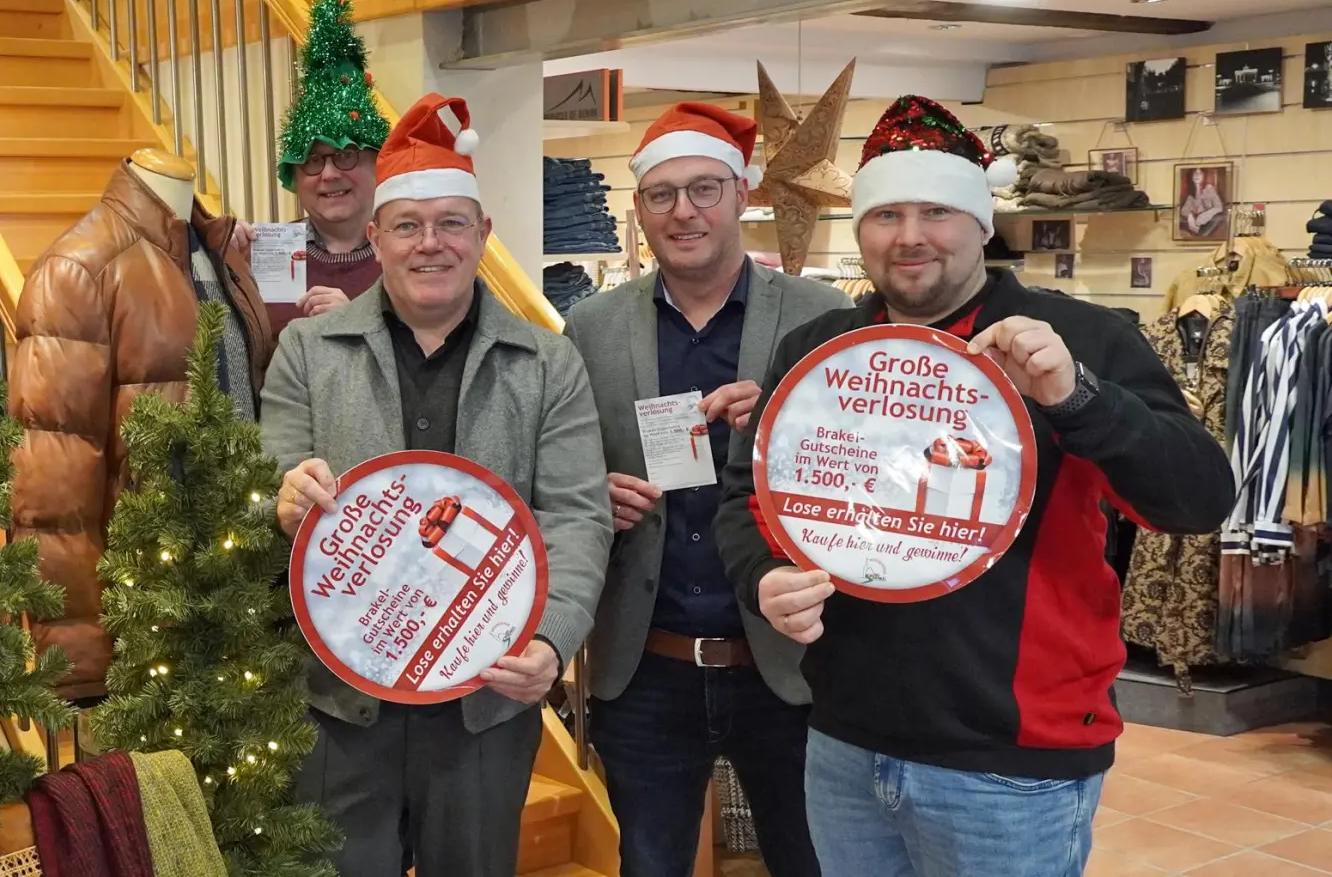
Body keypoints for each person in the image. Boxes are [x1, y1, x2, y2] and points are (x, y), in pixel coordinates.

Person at [715, 96, 1235, 877]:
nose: (911, 235)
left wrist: (1077, 396)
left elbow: (1196, 499)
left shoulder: (1084, 340)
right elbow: (744, 501)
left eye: (938, 211)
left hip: (1010, 762)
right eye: (886, 213)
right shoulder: (820, 350)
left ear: (984, 224)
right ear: (860, 230)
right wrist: (766, 577)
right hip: (844, 741)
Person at [258, 92, 612, 877]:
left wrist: (551, 640)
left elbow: (578, 516)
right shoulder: (308, 352)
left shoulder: (547, 362)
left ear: (484, 236)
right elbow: (265, 478)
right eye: (409, 226)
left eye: (452, 223)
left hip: (485, 702)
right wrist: (280, 496)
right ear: (376, 236)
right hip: (340, 703)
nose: (431, 245)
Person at [564, 103, 851, 877]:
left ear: (739, 195)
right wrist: (596, 491)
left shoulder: (823, 316)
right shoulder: (591, 327)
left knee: (813, 861)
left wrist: (789, 424)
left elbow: (870, 470)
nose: (683, 211)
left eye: (703, 189)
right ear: (639, 211)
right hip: (646, 666)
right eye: (662, 195)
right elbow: (555, 468)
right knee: (650, 863)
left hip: (790, 667)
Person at [237, 0, 387, 329]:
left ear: (378, 164)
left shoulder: (408, 253)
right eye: (312, 160)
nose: (329, 174)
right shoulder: (267, 254)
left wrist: (356, 325)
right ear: (294, 176)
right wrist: (223, 260)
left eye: (345, 155)